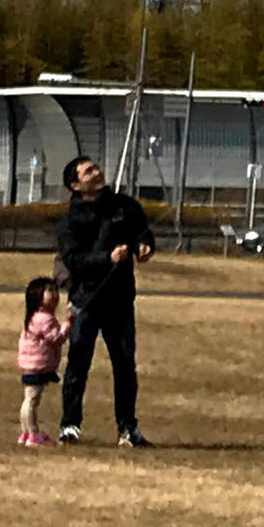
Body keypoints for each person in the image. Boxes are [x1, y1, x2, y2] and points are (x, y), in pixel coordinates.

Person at [54, 156, 155, 447]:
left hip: (121, 301)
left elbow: (142, 232)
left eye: (96, 167)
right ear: (76, 184)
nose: (97, 172)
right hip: (86, 301)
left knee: (125, 366)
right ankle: (70, 424)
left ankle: (127, 428)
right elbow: (73, 260)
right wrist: (106, 258)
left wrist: (145, 247)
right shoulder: (70, 220)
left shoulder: (125, 206)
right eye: (88, 171)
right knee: (78, 365)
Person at [17, 274, 67, 447]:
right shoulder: (44, 319)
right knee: (32, 400)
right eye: (50, 291)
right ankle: (32, 433)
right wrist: (68, 325)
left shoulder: (33, 317)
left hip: (29, 364)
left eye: (56, 290)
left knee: (29, 398)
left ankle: (25, 432)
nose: (55, 294)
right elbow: (56, 338)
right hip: (37, 364)